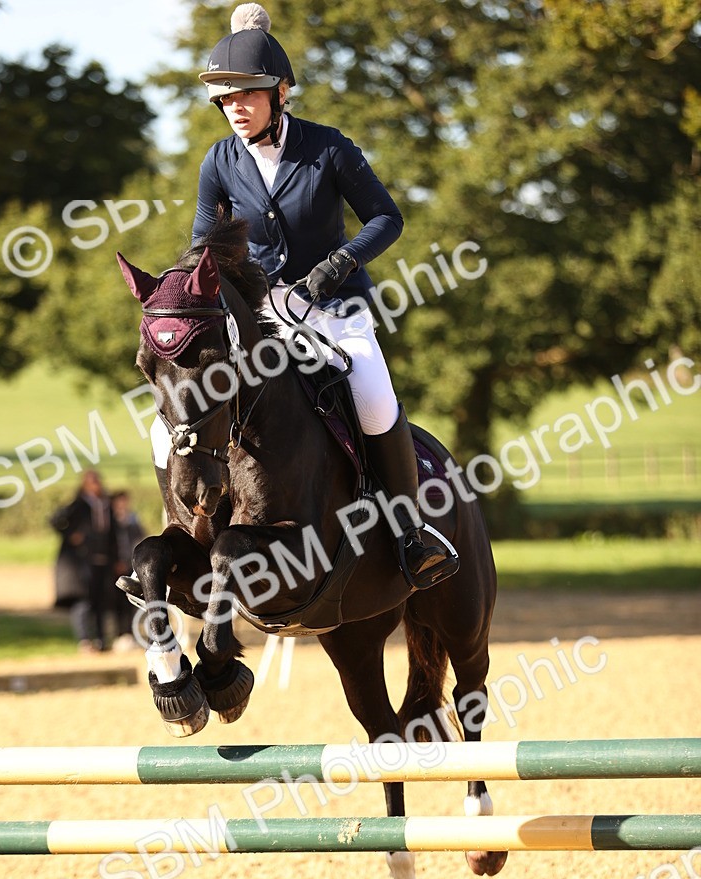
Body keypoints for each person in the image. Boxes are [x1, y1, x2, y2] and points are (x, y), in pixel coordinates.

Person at [174, 1, 459, 588]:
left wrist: (339, 263)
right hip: (257, 314)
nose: (235, 108)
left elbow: (386, 218)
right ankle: (183, 531)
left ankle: (409, 534)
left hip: (332, 307)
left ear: (280, 93)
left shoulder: (328, 148)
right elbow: (205, 246)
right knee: (184, 405)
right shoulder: (219, 161)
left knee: (375, 399)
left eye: (247, 96)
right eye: (226, 100)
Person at [50, 470, 117, 653]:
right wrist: (71, 535)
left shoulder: (106, 505)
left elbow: (113, 533)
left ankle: (101, 640)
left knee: (101, 600)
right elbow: (56, 520)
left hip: (103, 559)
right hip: (82, 560)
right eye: (92, 481)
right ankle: (85, 639)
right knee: (83, 600)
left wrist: (116, 557)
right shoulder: (78, 505)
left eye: (97, 480)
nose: (96, 484)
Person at [110, 490, 145, 651]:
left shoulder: (133, 520)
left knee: (131, 603)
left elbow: (139, 540)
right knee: (117, 604)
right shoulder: (110, 522)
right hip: (114, 568)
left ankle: (130, 634)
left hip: (130, 565)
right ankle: (120, 635)